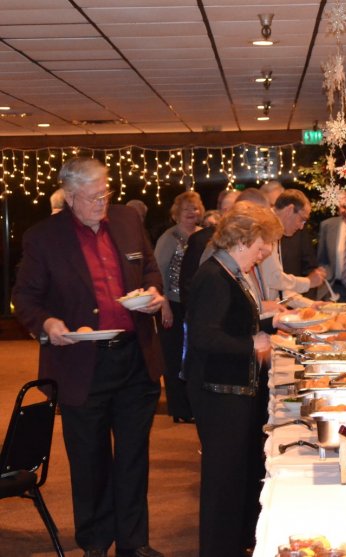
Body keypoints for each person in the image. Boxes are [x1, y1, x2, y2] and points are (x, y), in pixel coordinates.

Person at [12, 157, 165, 557]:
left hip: (134, 358)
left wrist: (153, 293)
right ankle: (95, 542)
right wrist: (47, 323)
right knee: (89, 459)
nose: (103, 202)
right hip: (82, 364)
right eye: (94, 196)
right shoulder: (44, 237)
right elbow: (25, 297)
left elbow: (150, 268)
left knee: (133, 457)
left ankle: (134, 542)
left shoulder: (126, 220)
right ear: (70, 196)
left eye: (105, 193)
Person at [183, 201, 285, 557]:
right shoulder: (214, 276)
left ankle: (235, 543)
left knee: (235, 475)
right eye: (261, 244)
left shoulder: (230, 271)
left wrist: (264, 330)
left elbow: (236, 321)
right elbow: (203, 336)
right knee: (222, 481)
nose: (265, 251)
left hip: (233, 388)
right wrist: (250, 344)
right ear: (243, 239)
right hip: (217, 392)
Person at [154, 191, 204, 424]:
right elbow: (158, 274)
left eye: (195, 208)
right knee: (174, 357)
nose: (192, 213)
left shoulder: (203, 235)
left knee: (193, 356)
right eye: (186, 209)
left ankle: (193, 405)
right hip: (172, 305)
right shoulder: (169, 238)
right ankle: (180, 408)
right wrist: (164, 305)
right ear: (176, 213)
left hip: (195, 305)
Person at [259, 189, 326, 305]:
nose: (301, 227)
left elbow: (280, 290)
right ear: (290, 210)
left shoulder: (274, 227)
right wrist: (308, 282)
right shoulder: (267, 226)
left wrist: (311, 305)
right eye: (302, 220)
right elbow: (274, 279)